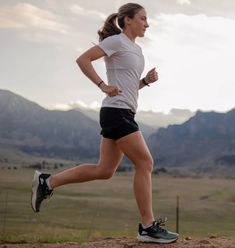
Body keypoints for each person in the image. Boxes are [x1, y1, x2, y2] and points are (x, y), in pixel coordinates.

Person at [31, 3, 178, 244]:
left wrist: (144, 82)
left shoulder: (136, 50)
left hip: (123, 111)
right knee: (145, 162)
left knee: (104, 170)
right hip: (116, 112)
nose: (147, 23)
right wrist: (102, 85)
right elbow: (83, 59)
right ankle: (147, 227)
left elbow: (126, 86)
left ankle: (47, 182)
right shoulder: (116, 42)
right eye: (143, 18)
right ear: (128, 20)